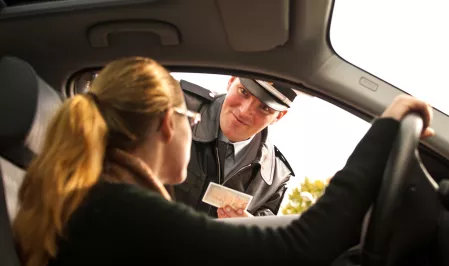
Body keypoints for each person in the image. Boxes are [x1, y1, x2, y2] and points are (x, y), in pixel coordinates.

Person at [12, 57, 434, 266]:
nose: (198, 124)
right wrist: (386, 127)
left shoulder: (104, 199)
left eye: (263, 106)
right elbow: (300, 246)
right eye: (190, 118)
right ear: (165, 124)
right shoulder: (119, 208)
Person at [175, 77, 297, 217]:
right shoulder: (176, 105)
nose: (244, 112)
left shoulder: (277, 180)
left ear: (279, 116)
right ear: (231, 81)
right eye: (243, 92)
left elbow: (262, 235)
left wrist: (248, 233)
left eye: (264, 108)